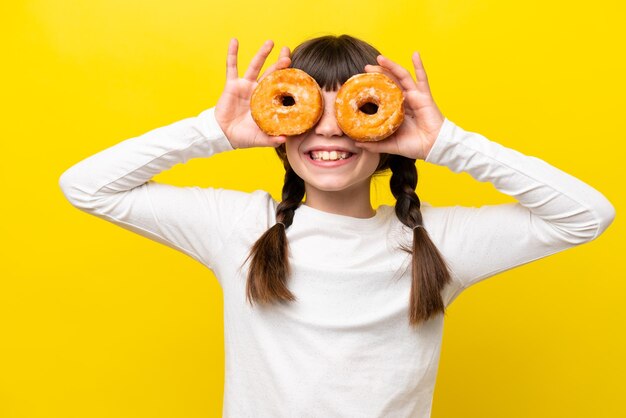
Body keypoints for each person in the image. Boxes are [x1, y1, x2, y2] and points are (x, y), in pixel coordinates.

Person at [58, 34, 615, 417]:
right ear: (279, 124)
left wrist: (447, 144)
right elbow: (86, 185)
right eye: (305, 110)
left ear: (388, 128)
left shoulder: (435, 243)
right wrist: (214, 131)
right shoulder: (239, 228)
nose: (329, 134)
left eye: (355, 113)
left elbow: (587, 215)